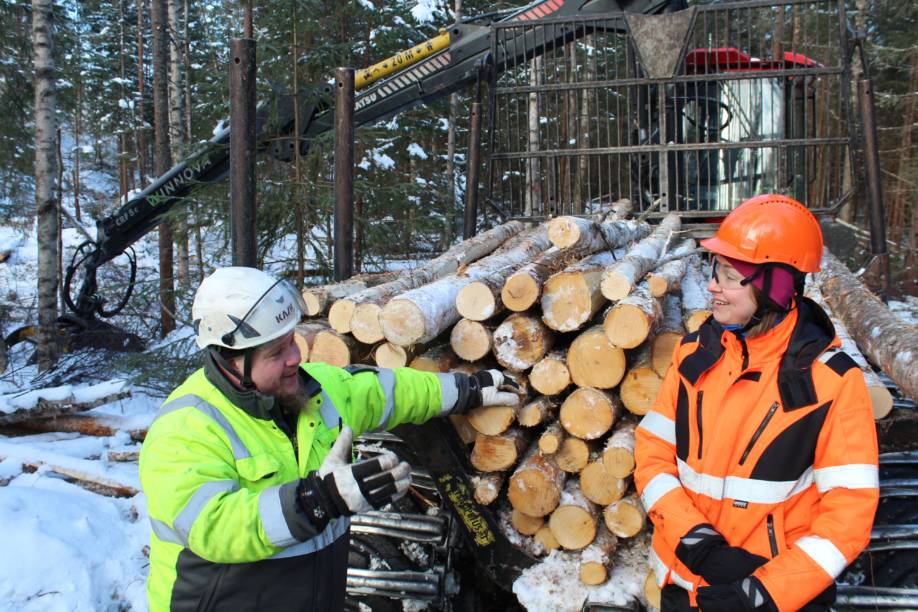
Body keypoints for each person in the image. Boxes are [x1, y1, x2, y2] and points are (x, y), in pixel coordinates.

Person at [139, 267, 520, 611]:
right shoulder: (187, 428)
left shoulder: (315, 392)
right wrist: (318, 500)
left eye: (291, 341)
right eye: (276, 352)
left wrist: (466, 388)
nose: (294, 357)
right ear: (229, 359)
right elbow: (214, 528)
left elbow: (388, 391)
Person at [634, 194, 879, 611]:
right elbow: (653, 454)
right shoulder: (695, 355)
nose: (713, 286)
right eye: (715, 270)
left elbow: (848, 514)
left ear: (775, 286)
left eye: (731, 276)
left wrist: (766, 593)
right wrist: (694, 540)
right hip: (684, 585)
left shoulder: (829, 380)